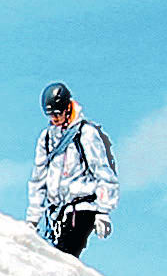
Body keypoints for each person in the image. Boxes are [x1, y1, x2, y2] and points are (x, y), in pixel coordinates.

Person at [30, 84, 117, 259]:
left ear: (67, 108)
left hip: (82, 208)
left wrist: (103, 211)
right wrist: (33, 219)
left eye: (57, 113)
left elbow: (102, 172)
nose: (54, 119)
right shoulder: (47, 139)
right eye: (50, 115)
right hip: (58, 212)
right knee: (57, 256)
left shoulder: (85, 133)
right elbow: (39, 180)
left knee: (65, 256)